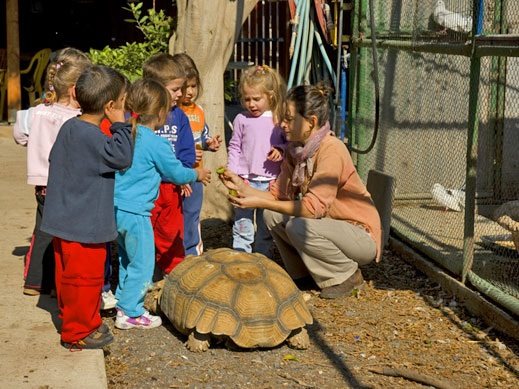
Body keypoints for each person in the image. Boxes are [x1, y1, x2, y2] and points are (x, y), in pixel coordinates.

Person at [219, 84, 382, 299]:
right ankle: (302, 273)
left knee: (299, 225)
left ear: (311, 122)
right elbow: (278, 195)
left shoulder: (331, 149)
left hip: (359, 235)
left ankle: (346, 276)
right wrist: (241, 187)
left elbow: (312, 209)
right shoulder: (296, 150)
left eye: (288, 119)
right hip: (329, 227)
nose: (282, 124)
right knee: (272, 216)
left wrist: (258, 202)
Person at [40, 65, 132, 349]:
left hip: (62, 219)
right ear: (110, 106)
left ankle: (73, 319)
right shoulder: (96, 138)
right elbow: (122, 158)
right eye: (123, 103)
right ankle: (78, 332)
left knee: (67, 279)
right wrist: (120, 124)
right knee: (85, 281)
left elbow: (57, 158)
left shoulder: (70, 127)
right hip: (84, 226)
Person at [114, 79, 211, 329]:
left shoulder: (124, 132)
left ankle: (122, 301)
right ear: (160, 113)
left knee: (126, 258)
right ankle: (131, 312)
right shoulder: (155, 142)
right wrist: (197, 174)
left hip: (115, 209)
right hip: (137, 213)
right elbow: (177, 173)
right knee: (144, 262)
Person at [13, 47, 91, 296]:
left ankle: (34, 281)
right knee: (65, 235)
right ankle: (58, 283)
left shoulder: (36, 113)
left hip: (42, 184)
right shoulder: (79, 118)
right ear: (75, 89)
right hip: (68, 184)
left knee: (43, 230)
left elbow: (19, 135)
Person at [143, 53, 196, 275]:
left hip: (170, 187)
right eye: (175, 89)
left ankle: (174, 274)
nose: (180, 94)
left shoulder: (179, 117)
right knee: (145, 233)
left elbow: (186, 151)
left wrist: (183, 175)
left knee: (172, 232)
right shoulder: (139, 116)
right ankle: (146, 273)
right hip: (145, 186)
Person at [226, 64, 287, 257]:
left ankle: (262, 258)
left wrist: (281, 150)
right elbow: (235, 146)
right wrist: (232, 172)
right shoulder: (241, 119)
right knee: (242, 221)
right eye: (247, 99)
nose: (251, 104)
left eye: (256, 99)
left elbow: (289, 144)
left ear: (270, 96)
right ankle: (241, 255)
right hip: (245, 179)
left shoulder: (278, 120)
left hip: (270, 182)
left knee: (265, 224)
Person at [174, 53, 222, 256]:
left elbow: (202, 136)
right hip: (174, 174)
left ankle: (192, 254)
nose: (190, 92)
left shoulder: (199, 110)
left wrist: (209, 144)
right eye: (185, 87)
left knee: (192, 215)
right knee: (174, 217)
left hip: (195, 174)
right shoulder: (170, 111)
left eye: (193, 86)